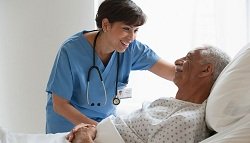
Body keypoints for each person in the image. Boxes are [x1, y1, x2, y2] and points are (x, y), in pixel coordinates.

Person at [45, 0, 175, 134]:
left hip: (104, 124)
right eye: (126, 29)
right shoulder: (71, 51)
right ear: (106, 25)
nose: (132, 37)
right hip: (68, 126)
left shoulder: (131, 49)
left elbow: (172, 73)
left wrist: (193, 66)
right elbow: (60, 105)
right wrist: (100, 129)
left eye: (136, 30)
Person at [66, 45, 231, 143]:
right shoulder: (169, 103)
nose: (177, 61)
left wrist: (85, 136)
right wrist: (89, 129)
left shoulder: (185, 122)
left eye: (187, 58)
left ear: (206, 69)